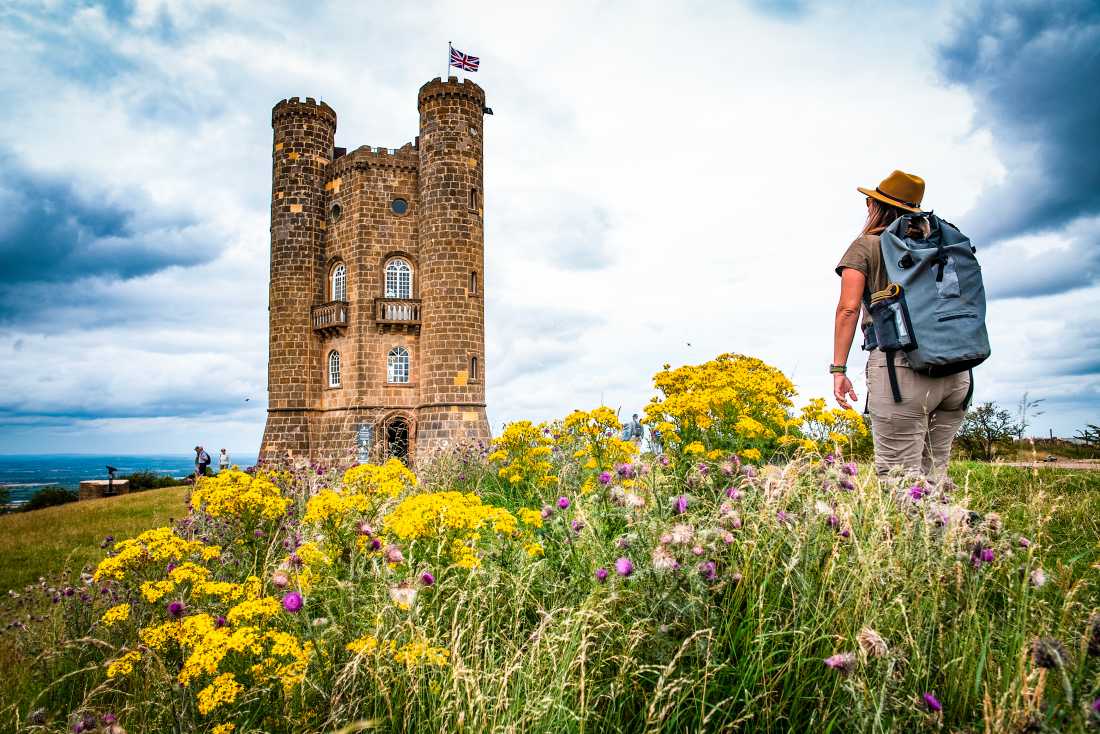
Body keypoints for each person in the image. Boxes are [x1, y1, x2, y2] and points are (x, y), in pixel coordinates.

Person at [832, 170, 971, 480]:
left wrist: (839, 370)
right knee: (933, 476)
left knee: (899, 481)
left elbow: (848, 309)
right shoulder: (939, 245)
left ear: (876, 206)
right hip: (957, 372)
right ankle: (952, 529)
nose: (867, 206)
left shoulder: (867, 245)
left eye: (870, 200)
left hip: (902, 369)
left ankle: (922, 529)